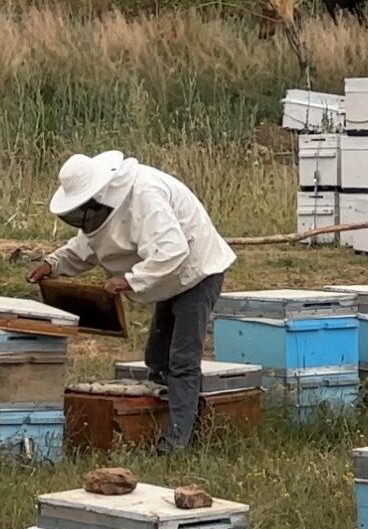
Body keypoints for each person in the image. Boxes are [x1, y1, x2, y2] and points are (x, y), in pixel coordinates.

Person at [27, 150, 236, 453]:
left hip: (198, 270)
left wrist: (130, 280)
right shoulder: (102, 206)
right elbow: (87, 246)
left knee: (182, 361)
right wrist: (52, 263)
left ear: (99, 193)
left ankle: (177, 443)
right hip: (168, 279)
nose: (83, 215)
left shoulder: (144, 196)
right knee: (157, 359)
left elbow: (172, 250)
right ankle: (159, 423)